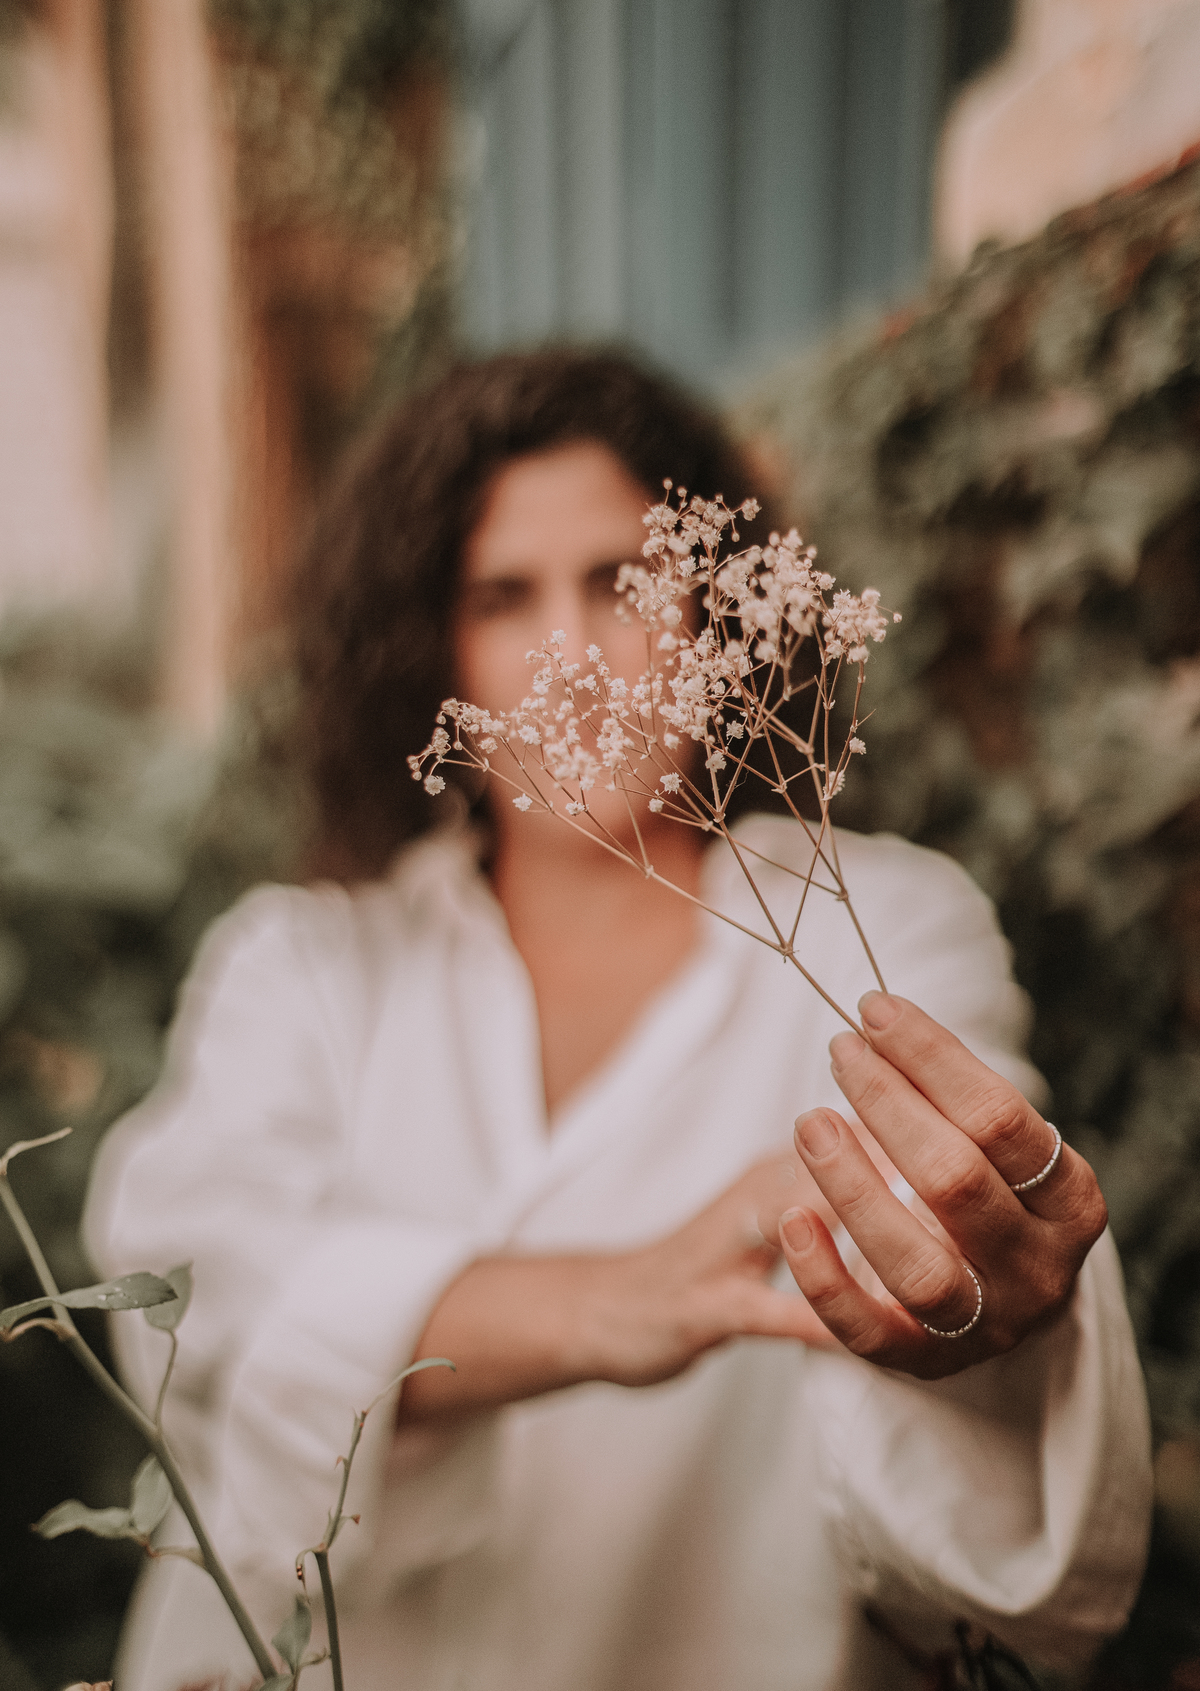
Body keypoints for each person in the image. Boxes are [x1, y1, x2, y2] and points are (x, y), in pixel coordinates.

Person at [85, 350, 1152, 1691]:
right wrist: (609, 1304)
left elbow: (970, 1286)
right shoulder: (304, 960)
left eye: (620, 582)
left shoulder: (872, 929)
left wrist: (999, 1303)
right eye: (503, 596)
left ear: (715, 607)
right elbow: (202, 1312)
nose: (577, 658)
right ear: (430, 650)